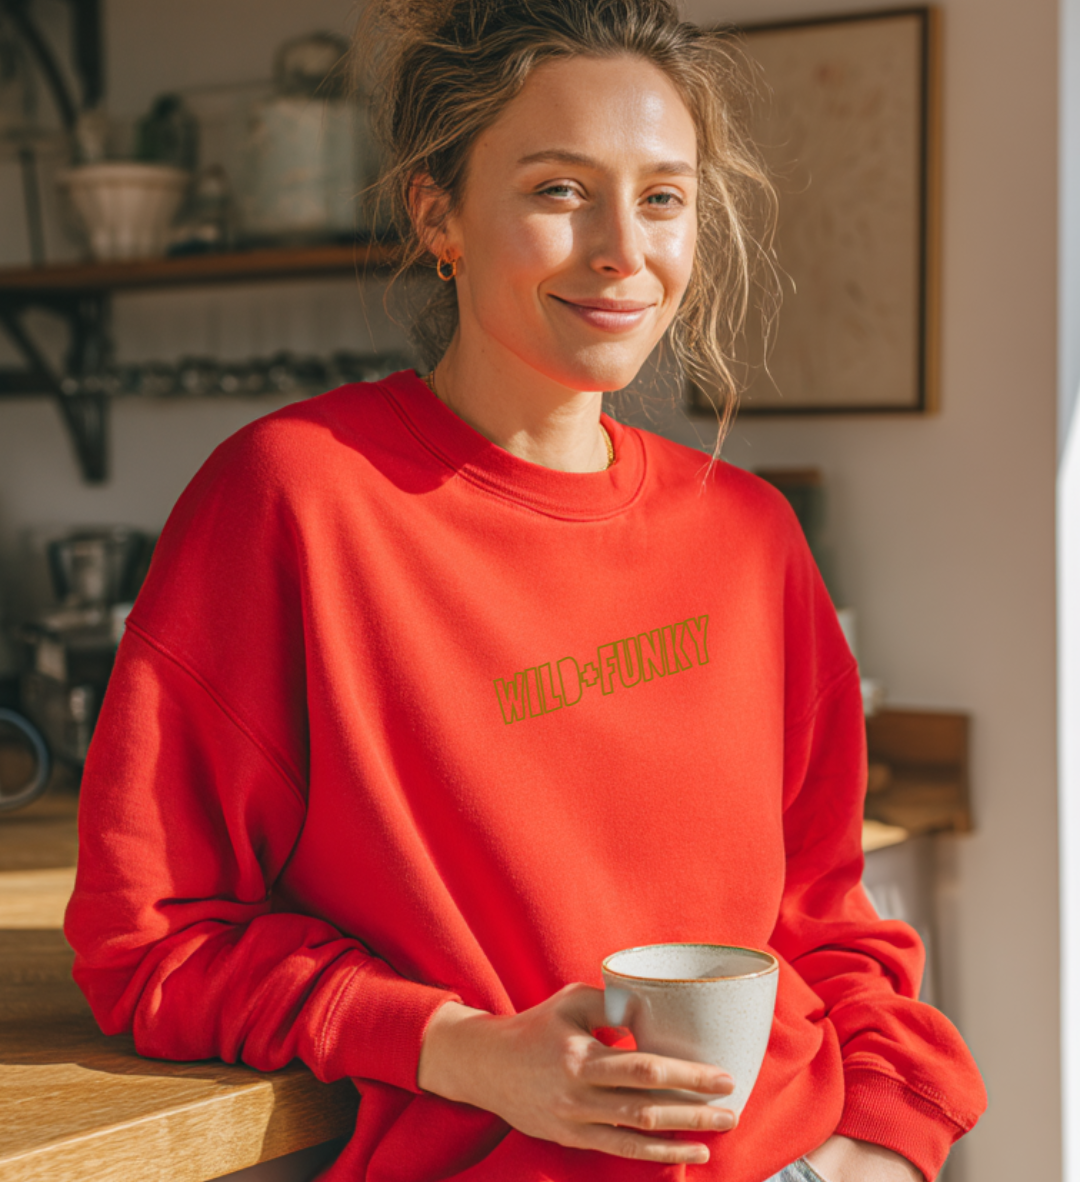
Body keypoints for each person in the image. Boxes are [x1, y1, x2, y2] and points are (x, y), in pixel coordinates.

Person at [64, 1, 987, 1180]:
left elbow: (828, 924)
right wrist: (460, 1049)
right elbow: (151, 943)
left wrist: (886, 1148)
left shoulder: (753, 538)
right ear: (436, 212)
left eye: (663, 198)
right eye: (560, 191)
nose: (623, 252)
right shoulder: (296, 502)